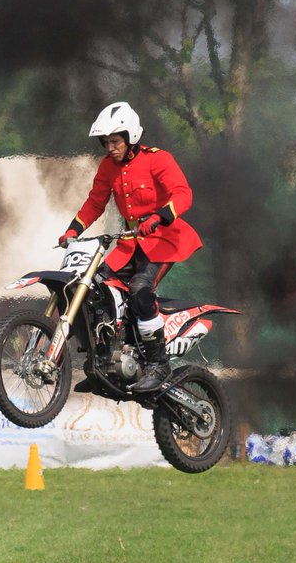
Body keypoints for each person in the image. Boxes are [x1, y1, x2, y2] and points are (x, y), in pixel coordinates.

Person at [58, 101, 202, 393]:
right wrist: (73, 230)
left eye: (115, 141)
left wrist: (159, 216)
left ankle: (158, 364)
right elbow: (95, 202)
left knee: (139, 289)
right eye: (105, 142)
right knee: (95, 288)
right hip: (128, 243)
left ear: (131, 137)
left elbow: (183, 195)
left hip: (164, 240)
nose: (110, 147)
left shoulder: (157, 160)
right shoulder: (108, 167)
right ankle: (100, 363)